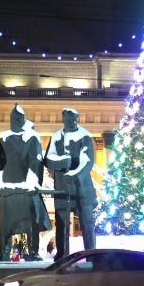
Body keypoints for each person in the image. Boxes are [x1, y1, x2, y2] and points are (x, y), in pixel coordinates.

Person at [0, 105, 51, 262]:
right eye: (15, 118)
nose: (17, 121)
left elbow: (36, 162)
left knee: (31, 223)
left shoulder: (32, 137)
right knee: (5, 224)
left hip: (26, 188)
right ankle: (3, 253)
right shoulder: (4, 138)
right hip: (7, 189)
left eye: (20, 118)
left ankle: (34, 252)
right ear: (11, 120)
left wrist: (34, 183)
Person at [46, 108, 97, 260]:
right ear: (63, 119)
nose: (69, 122)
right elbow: (49, 158)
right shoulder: (56, 136)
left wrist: (74, 175)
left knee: (87, 223)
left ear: (76, 119)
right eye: (66, 119)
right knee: (61, 224)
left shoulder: (84, 136)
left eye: (72, 119)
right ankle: (62, 255)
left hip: (82, 188)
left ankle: (91, 254)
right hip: (62, 188)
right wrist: (60, 161)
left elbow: (87, 160)